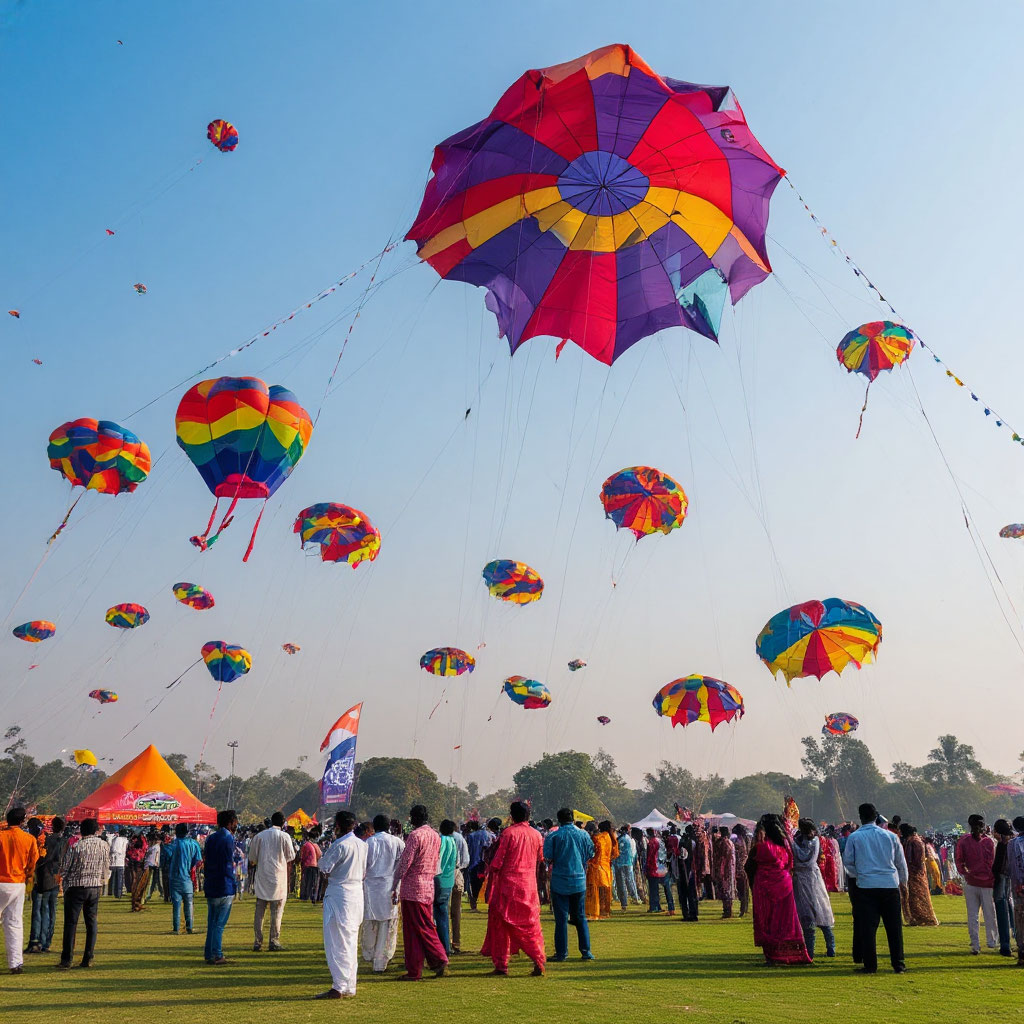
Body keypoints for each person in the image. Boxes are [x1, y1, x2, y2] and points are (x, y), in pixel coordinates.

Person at [481, 801, 545, 976]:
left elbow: (497, 862)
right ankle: (538, 959)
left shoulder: (508, 833)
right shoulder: (536, 835)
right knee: (530, 925)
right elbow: (540, 858)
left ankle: (501, 964)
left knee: (502, 925)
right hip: (529, 887)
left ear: (512, 815)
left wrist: (489, 868)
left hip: (508, 887)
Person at [842, 803, 907, 974]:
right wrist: (903, 882)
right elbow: (901, 863)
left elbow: (848, 862)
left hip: (866, 885)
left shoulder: (855, 837)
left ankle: (870, 965)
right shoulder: (891, 836)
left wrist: (859, 876)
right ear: (876, 816)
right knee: (894, 928)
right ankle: (898, 964)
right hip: (889, 884)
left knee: (868, 928)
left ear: (861, 817)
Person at [392, 805, 449, 981]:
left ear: (413, 818)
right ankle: (416, 969)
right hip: (428, 885)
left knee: (417, 929)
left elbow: (405, 863)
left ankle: (439, 958)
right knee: (421, 926)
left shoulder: (415, 836)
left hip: (412, 887)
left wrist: (394, 884)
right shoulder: (435, 835)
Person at [315, 810, 368, 1000]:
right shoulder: (362, 845)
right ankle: (349, 984)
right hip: (356, 893)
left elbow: (323, 866)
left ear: (338, 825)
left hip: (340, 893)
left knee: (337, 941)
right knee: (350, 941)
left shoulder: (339, 845)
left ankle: (339, 985)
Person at [745, 813, 811, 966]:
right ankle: (791, 954)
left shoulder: (761, 846)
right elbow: (790, 864)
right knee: (786, 920)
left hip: (764, 886)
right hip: (784, 884)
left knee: (767, 920)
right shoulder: (785, 845)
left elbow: (749, 866)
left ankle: (772, 955)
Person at [543, 808, 595, 962]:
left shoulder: (554, 835)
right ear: (573, 818)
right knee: (580, 917)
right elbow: (591, 853)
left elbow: (548, 856)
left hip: (560, 880)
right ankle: (586, 951)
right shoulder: (583, 834)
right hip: (579, 879)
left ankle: (561, 953)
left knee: (561, 919)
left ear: (559, 820)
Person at [58, 817, 108, 969]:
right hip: (94, 887)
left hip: (76, 887)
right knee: (91, 923)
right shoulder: (104, 845)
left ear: (82, 830)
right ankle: (88, 957)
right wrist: (102, 880)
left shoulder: (76, 846)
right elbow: (106, 867)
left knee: (71, 923)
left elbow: (65, 868)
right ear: (95, 830)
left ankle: (67, 959)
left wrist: (63, 880)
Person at [247, 810, 296, 952]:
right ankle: (273, 940)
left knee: (259, 912)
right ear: (283, 823)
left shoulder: (259, 836)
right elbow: (291, 856)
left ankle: (257, 941)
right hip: (278, 878)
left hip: (262, 877)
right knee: (277, 912)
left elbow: (252, 858)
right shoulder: (285, 837)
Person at [362, 813, 403, 972]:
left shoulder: (369, 842)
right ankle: (381, 960)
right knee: (386, 924)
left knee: (371, 922)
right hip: (389, 886)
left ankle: (370, 955)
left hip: (372, 887)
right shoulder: (397, 842)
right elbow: (401, 866)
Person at [0, 807, 39, 974]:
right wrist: (28, 876)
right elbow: (33, 862)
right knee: (14, 923)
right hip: (18, 883)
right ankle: (15, 963)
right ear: (23, 821)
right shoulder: (29, 839)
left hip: (1, 881)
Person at [792, 819, 835, 959]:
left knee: (813, 914)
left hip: (805, 879)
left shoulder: (797, 843)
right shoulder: (811, 841)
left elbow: (803, 859)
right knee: (816, 914)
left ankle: (817, 950)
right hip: (810, 879)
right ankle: (823, 949)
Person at [955, 813, 997, 954]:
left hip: (971, 882)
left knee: (973, 915)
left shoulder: (963, 841)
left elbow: (959, 861)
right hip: (988, 883)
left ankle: (975, 944)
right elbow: (992, 863)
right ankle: (991, 941)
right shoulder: (989, 842)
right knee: (989, 914)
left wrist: (966, 873)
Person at [203, 809, 239, 965]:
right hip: (224, 884)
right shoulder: (228, 838)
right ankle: (217, 954)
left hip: (211, 883)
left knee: (212, 922)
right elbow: (227, 864)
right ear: (230, 823)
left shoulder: (211, 838)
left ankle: (209, 953)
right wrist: (234, 884)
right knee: (219, 923)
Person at [26, 816, 66, 954]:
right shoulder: (62, 840)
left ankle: (37, 941)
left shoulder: (44, 841)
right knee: (50, 911)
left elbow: (41, 859)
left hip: (43, 879)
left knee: (40, 910)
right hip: (55, 878)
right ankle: (46, 942)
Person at [165, 823, 202, 935]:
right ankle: (189, 927)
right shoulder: (194, 843)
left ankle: (176, 928)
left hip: (175, 877)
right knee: (189, 903)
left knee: (176, 904)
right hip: (187, 877)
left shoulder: (173, 844)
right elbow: (198, 860)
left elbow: (167, 858)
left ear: (176, 832)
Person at [898, 823, 938, 927]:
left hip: (914, 873)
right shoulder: (916, 840)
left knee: (915, 896)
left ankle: (920, 918)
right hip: (918, 872)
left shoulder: (913, 841)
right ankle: (920, 917)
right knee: (918, 896)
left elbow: (912, 859)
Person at [992, 819, 1015, 957]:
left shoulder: (1002, 844)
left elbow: (997, 866)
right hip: (1011, 878)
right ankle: (1015, 938)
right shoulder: (1013, 842)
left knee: (1002, 911)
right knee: (1010, 908)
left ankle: (1005, 944)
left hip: (1001, 878)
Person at [433, 820, 457, 955]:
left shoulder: (442, 840)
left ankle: (439, 947)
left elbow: (439, 858)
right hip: (449, 881)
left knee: (435, 916)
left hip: (439, 880)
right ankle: (446, 946)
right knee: (443, 915)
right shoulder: (453, 841)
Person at [585, 820, 617, 921]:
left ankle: (593, 913)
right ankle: (604, 912)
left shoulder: (598, 838)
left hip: (596, 867)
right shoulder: (610, 838)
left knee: (594, 892)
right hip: (606, 868)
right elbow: (615, 854)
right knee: (604, 892)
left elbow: (594, 854)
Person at [450, 819, 470, 953]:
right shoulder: (460, 838)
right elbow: (465, 860)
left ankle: (443, 942)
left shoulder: (440, 838)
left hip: (441, 877)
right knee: (456, 912)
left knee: (441, 912)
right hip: (457, 874)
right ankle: (456, 942)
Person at [645, 828, 674, 914]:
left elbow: (650, 857)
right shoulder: (660, 841)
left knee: (653, 889)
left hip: (654, 868)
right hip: (663, 867)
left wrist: (646, 868)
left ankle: (655, 907)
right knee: (667, 889)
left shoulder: (651, 842)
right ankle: (671, 907)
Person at [1008, 816, 1024, 967]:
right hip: (1020, 885)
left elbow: (1012, 866)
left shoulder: (1012, 844)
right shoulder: (1016, 843)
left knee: (1019, 919)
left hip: (1017, 886)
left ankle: (1022, 952)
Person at [466, 819, 493, 911]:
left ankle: (473, 903)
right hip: (484, 864)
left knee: (473, 884)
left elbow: (468, 849)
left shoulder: (471, 836)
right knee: (482, 883)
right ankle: (480, 901)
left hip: (473, 862)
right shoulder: (488, 835)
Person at [613, 826, 639, 910]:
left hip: (620, 863)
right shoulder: (630, 840)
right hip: (628, 863)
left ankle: (624, 902)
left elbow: (617, 852)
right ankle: (634, 897)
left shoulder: (621, 840)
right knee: (630, 880)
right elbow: (634, 853)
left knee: (621, 883)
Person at [713, 826, 736, 918]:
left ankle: (727, 911)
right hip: (729, 869)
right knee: (727, 890)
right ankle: (727, 910)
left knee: (725, 890)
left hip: (725, 869)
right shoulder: (729, 842)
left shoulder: (724, 843)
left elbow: (722, 857)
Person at [732, 824, 751, 918]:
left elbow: (741, 855)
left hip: (740, 868)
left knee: (742, 889)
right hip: (744, 867)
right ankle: (744, 907)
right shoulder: (746, 840)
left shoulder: (740, 841)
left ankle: (743, 908)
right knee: (744, 889)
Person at [299, 828, 322, 901]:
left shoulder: (306, 845)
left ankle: (305, 897)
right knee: (313, 883)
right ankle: (311, 897)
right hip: (314, 865)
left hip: (308, 865)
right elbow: (320, 854)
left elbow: (303, 857)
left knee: (306, 883)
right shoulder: (315, 845)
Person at [107, 826, 128, 898]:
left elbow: (113, 848)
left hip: (115, 861)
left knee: (113, 879)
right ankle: (118, 893)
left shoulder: (117, 839)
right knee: (119, 879)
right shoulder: (124, 840)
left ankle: (112, 892)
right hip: (119, 862)